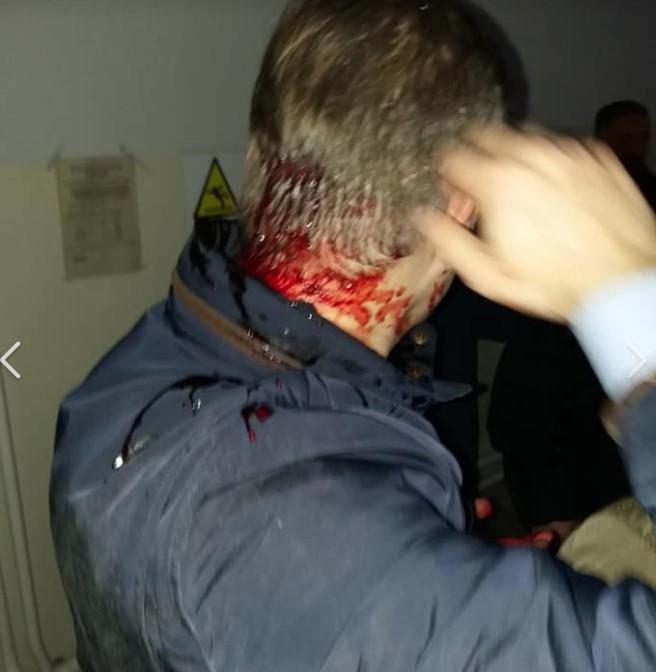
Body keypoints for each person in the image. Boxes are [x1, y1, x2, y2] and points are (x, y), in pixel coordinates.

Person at [50, 2, 656, 670]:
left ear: (259, 160)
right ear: (462, 206)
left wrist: (442, 571)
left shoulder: (137, 365)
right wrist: (636, 313)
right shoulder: (326, 543)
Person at [596, 100, 656, 210]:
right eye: (625, 139)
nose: (638, 148)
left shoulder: (647, 183)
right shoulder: (588, 184)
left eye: (644, 138)